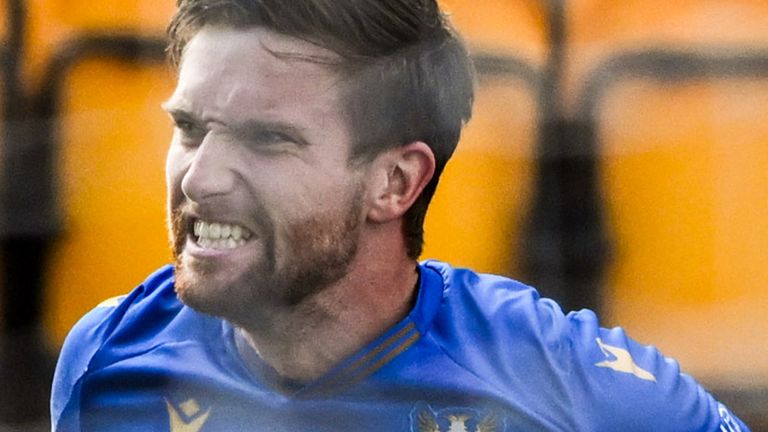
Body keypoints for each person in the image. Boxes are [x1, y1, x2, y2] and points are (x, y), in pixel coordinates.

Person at [51, 0, 750, 430]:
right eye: (191, 129)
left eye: (267, 139)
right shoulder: (109, 360)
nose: (200, 178)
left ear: (396, 180)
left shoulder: (561, 383)